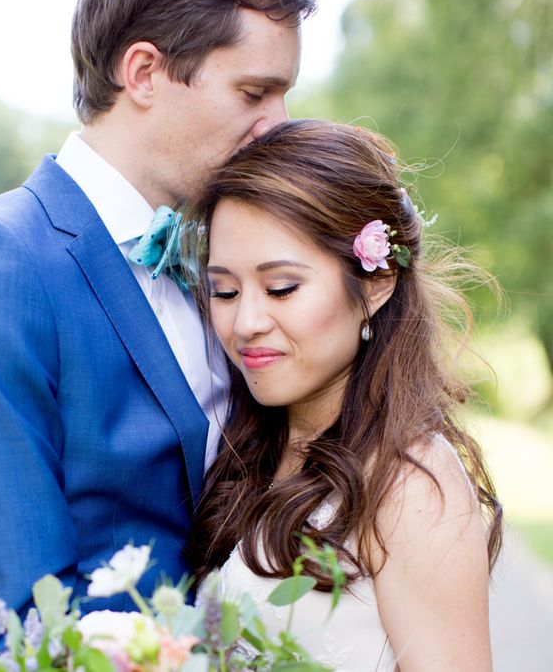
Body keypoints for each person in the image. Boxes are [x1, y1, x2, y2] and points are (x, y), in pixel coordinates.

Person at [0, 0, 315, 669]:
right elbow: (23, 620)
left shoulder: (228, 266)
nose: (279, 121)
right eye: (254, 92)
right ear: (144, 72)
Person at [185, 120, 503, 670]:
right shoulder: (250, 443)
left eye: (281, 288)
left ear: (375, 284)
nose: (246, 322)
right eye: (224, 290)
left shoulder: (409, 484)